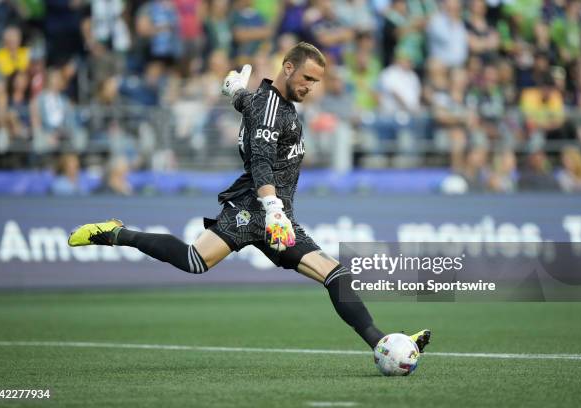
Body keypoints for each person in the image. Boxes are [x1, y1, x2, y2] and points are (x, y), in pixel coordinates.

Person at [67, 42, 431, 353]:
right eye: (306, 78)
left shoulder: (265, 101)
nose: (310, 87)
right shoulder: (272, 108)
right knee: (195, 261)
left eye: (316, 82)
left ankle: (384, 344)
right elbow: (260, 161)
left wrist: (234, 91)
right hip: (253, 210)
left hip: (277, 216)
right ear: (288, 68)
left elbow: (249, 104)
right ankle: (116, 232)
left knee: (335, 273)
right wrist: (273, 209)